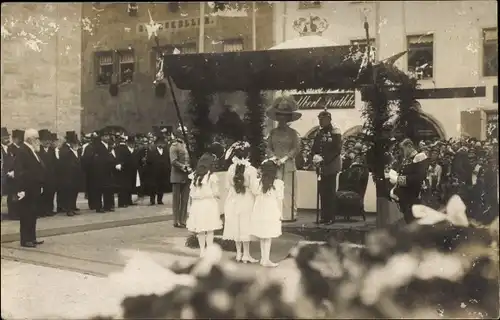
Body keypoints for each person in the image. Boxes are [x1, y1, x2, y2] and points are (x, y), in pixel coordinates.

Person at [265, 96, 301, 222]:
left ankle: (289, 215)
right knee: (275, 189)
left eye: (284, 116)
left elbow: (296, 148)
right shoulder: (273, 132)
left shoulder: (293, 133)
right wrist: (274, 158)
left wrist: (285, 158)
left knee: (288, 190)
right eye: (279, 116)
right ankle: (276, 214)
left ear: (288, 118)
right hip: (275, 165)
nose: (282, 119)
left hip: (289, 164)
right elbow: (268, 147)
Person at [222, 141, 259, 263]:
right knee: (245, 225)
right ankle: (246, 254)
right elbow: (254, 188)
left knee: (236, 225)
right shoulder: (251, 170)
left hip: (233, 199)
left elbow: (227, 186)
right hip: (246, 199)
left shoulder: (231, 168)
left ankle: (238, 253)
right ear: (248, 155)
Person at [186, 153, 222, 258]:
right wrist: (218, 195)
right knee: (210, 229)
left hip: (197, 205)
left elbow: (191, 193)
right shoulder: (212, 176)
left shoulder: (195, 176)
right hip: (209, 204)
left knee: (200, 229)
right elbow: (215, 192)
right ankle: (209, 250)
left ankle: (202, 251)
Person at [14, 128, 46, 247]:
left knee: (33, 214)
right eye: (37, 138)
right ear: (30, 139)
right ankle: (25, 239)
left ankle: (32, 238)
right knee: (26, 214)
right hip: (27, 189)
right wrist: (21, 189)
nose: (38, 140)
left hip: (34, 188)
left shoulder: (32, 150)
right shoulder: (23, 151)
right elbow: (19, 171)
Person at [250, 158, 284, 268]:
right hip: (271, 210)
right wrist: (280, 214)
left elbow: (254, 193)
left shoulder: (258, 182)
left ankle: (264, 258)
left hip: (259, 209)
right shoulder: (278, 183)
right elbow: (279, 200)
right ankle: (266, 259)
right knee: (267, 236)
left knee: (263, 235)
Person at [311, 107, 342, 224]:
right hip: (321, 166)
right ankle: (323, 216)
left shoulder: (335, 131)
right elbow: (315, 148)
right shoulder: (319, 132)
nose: (320, 122)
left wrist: (324, 159)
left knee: (330, 192)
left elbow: (336, 150)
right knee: (322, 192)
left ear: (329, 119)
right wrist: (314, 157)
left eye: (322, 119)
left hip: (331, 165)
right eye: (319, 119)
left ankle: (330, 217)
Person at [389, 138, 428, 224]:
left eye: (403, 149)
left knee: (412, 221)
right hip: (404, 197)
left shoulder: (419, 157)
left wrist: (398, 179)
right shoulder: (407, 159)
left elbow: (417, 178)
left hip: (412, 196)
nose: (403, 152)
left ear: (409, 147)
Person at [91, 128, 117, 213]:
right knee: (99, 189)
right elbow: (97, 159)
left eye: (108, 136)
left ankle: (108, 206)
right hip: (100, 171)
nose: (107, 138)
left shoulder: (109, 146)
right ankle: (99, 207)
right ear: (101, 137)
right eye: (105, 136)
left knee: (108, 189)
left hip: (108, 171)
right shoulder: (98, 146)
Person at [170, 126, 192, 228]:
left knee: (185, 199)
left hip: (187, 175)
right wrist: (183, 167)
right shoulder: (174, 146)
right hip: (177, 175)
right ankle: (176, 220)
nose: (185, 134)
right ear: (178, 133)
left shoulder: (187, 145)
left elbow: (190, 159)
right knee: (176, 200)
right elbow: (173, 161)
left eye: (186, 132)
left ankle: (183, 220)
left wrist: (191, 168)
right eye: (183, 132)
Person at [58, 131, 83, 216]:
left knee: (74, 191)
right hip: (68, 175)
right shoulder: (65, 149)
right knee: (69, 192)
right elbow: (65, 162)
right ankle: (69, 209)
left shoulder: (75, 149)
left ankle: (73, 206)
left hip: (75, 175)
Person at [37, 129, 58, 217]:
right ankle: (41, 211)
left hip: (51, 176)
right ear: (41, 141)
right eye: (45, 140)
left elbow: (55, 162)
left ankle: (49, 209)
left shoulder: (52, 150)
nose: (47, 142)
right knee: (42, 195)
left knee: (50, 193)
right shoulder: (38, 150)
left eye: (49, 140)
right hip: (41, 176)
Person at [115, 135, 139, 207]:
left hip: (132, 171)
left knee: (130, 187)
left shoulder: (135, 150)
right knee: (123, 187)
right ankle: (122, 203)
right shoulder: (123, 150)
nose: (132, 145)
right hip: (124, 171)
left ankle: (129, 201)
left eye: (133, 143)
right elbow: (120, 159)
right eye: (131, 143)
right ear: (128, 143)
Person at [146, 136, 171, 206]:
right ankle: (152, 200)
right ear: (156, 144)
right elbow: (148, 162)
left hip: (163, 172)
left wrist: (168, 168)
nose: (160, 144)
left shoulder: (166, 151)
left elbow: (168, 161)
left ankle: (160, 200)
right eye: (159, 143)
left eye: (162, 143)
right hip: (154, 172)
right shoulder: (152, 151)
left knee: (161, 186)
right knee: (153, 186)